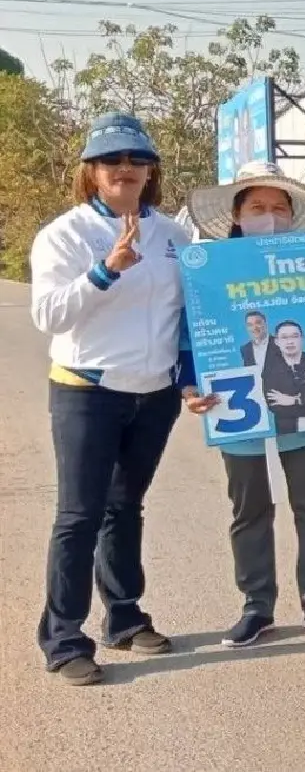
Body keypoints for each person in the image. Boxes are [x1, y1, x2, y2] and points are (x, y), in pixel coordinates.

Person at [29, 112, 193, 686]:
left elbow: (190, 317)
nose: (125, 169)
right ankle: (64, 638)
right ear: (91, 171)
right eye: (112, 160)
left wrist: (191, 376)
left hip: (154, 394)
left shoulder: (174, 235)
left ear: (151, 170)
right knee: (79, 515)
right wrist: (106, 271)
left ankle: (124, 618)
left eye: (136, 159)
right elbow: (48, 314)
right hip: (88, 391)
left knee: (126, 508)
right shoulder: (66, 235)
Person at [185, 161, 305, 647]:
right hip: (236, 404)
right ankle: (256, 605)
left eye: (278, 208)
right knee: (249, 509)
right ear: (237, 215)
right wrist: (188, 387)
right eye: (257, 207)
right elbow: (192, 339)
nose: (268, 216)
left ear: (293, 216)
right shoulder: (208, 270)